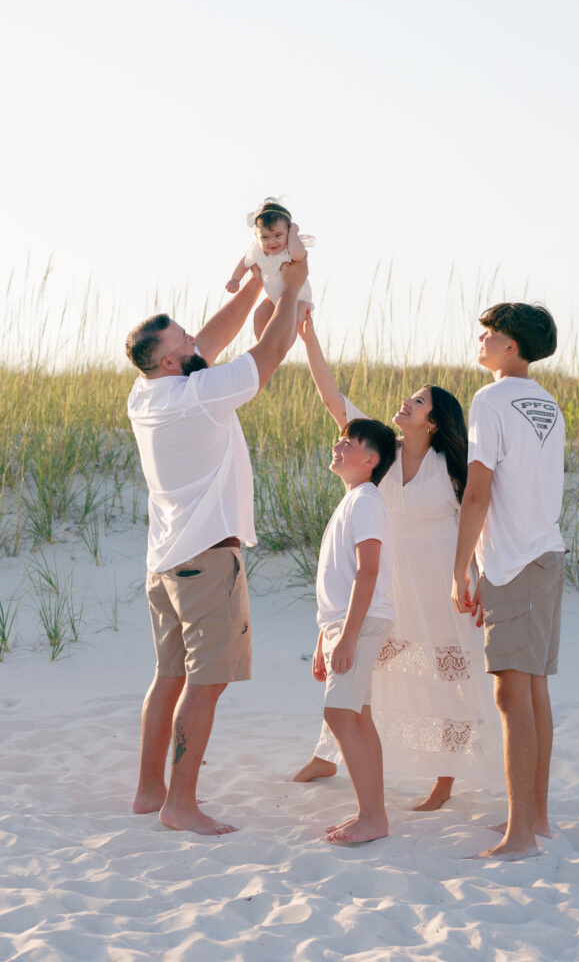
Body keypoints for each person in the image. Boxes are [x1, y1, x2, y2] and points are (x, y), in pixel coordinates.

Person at [126, 258, 307, 836]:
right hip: (206, 561)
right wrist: (291, 290)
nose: (194, 338)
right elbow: (270, 353)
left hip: (165, 565)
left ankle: (149, 789)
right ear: (174, 362)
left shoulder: (146, 391)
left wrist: (256, 280)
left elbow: (208, 340)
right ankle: (180, 803)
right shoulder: (198, 394)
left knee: (169, 677)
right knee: (206, 684)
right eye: (183, 338)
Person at [293, 317, 501, 810]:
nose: (407, 401)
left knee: (448, 682)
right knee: (368, 672)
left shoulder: (452, 466)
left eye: (419, 400)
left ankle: (444, 781)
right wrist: (310, 340)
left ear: (433, 421)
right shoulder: (380, 455)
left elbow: (480, 521)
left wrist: (478, 579)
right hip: (386, 580)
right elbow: (333, 401)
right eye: (410, 396)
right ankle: (331, 756)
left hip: (441, 586)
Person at [452, 301, 565, 860]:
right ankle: (536, 817)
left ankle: (520, 834)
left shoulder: (491, 398)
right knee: (534, 687)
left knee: (510, 694)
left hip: (516, 561)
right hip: (547, 553)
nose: (481, 339)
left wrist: (460, 566)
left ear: (511, 347)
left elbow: (478, 491)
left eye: (489, 333)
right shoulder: (548, 403)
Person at [314, 417, 397, 844]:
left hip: (360, 625)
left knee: (339, 714)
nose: (338, 445)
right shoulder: (352, 500)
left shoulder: (366, 500)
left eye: (349, 442)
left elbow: (368, 572)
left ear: (371, 460)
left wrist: (346, 636)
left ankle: (372, 817)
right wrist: (323, 640)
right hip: (345, 625)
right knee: (359, 717)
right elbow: (341, 578)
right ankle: (374, 812)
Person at [227, 198, 314, 340]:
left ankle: (280, 347)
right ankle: (262, 346)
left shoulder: (289, 248)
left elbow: (299, 256)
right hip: (276, 299)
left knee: (289, 324)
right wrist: (235, 279)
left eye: (278, 235)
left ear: (288, 230)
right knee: (260, 314)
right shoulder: (257, 252)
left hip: (298, 299)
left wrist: (293, 234)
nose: (272, 241)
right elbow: (244, 263)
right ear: (256, 236)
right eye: (265, 237)